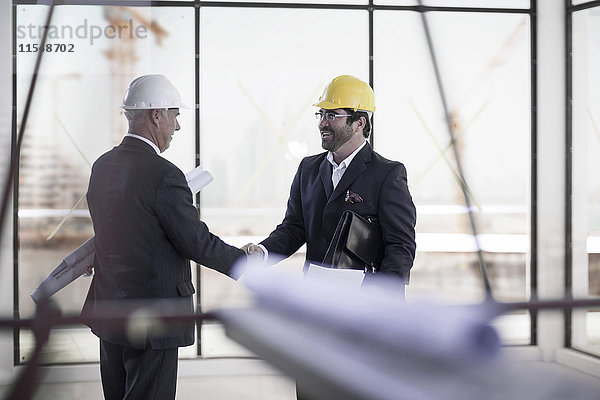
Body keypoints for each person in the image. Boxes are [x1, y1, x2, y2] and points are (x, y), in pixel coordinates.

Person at [82, 74, 247, 400]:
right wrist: (245, 262)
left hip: (109, 311)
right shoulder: (164, 174)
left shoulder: (102, 166)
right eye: (175, 115)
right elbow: (196, 242)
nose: (177, 126)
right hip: (153, 319)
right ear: (156, 115)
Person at [248, 75, 417, 291]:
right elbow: (294, 229)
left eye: (332, 115)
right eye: (321, 114)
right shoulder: (308, 169)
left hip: (367, 304)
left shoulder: (387, 174)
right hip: (320, 300)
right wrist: (263, 252)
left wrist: (379, 298)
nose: (322, 123)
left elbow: (401, 246)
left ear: (359, 123)